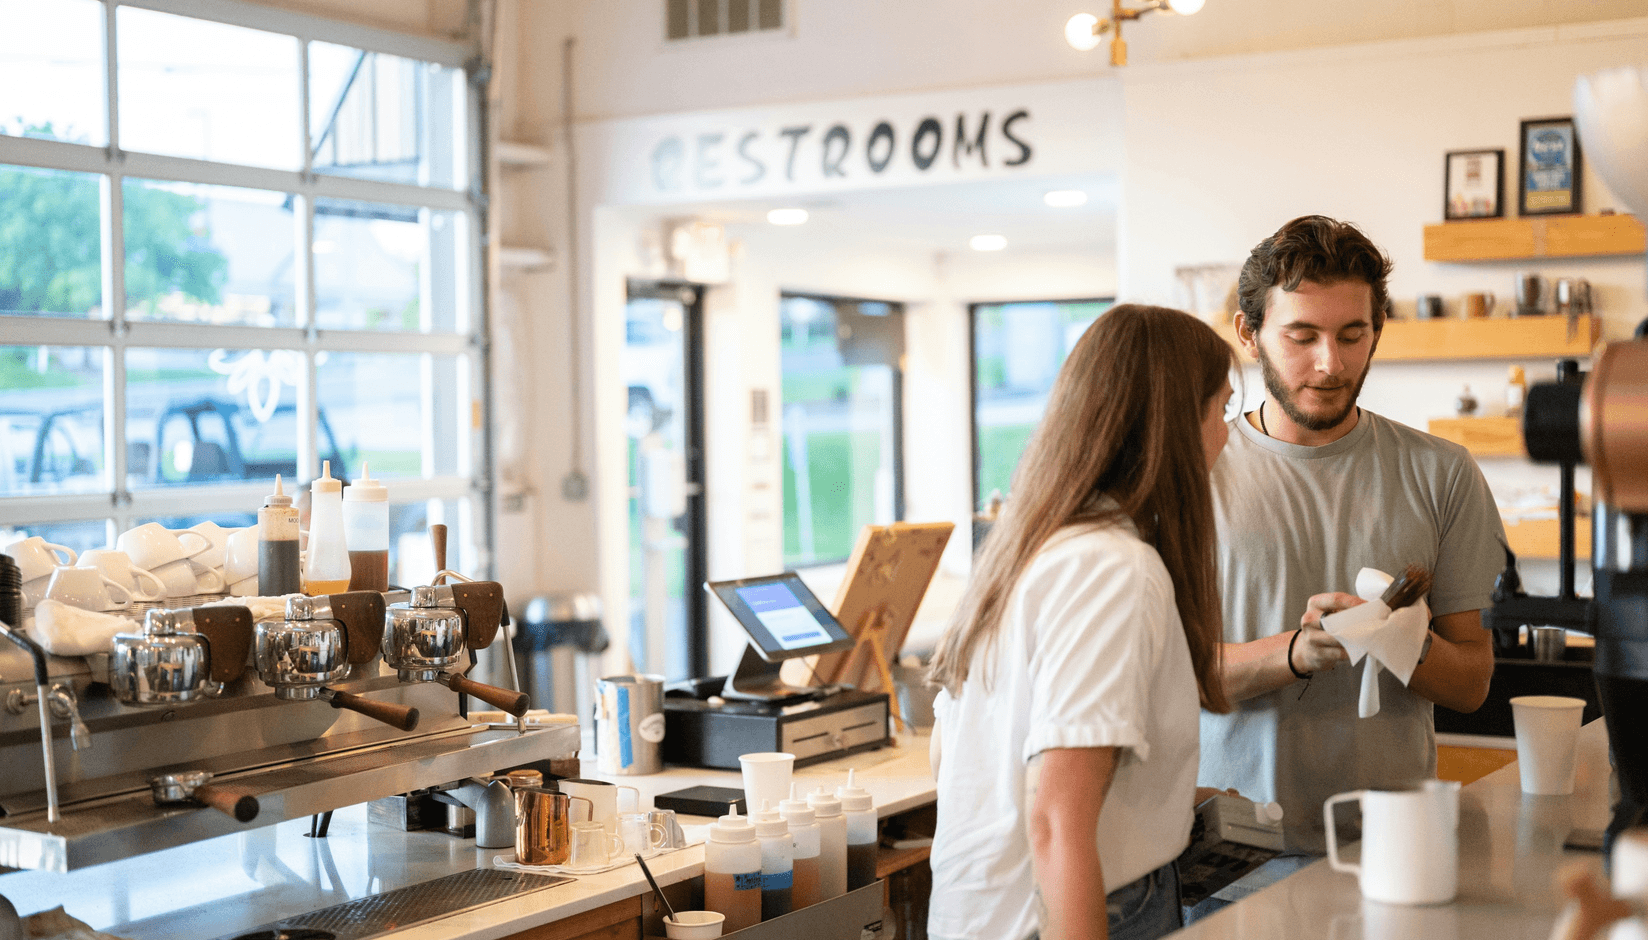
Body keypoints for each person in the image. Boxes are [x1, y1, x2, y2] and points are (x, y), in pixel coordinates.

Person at [927, 304, 1235, 940]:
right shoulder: (1114, 570)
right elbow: (1056, 820)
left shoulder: (1029, 549)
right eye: (1221, 410)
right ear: (1176, 424)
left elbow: (950, 758)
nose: (1227, 436)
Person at [1199, 215, 1503, 856]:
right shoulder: (1193, 472)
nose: (1329, 363)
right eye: (1301, 336)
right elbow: (1158, 677)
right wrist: (1289, 654)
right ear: (1248, 335)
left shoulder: (1443, 473)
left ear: (1377, 333)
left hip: (1391, 848)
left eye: (1351, 335)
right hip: (1226, 857)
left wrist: (1400, 638)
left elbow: (1473, 682)